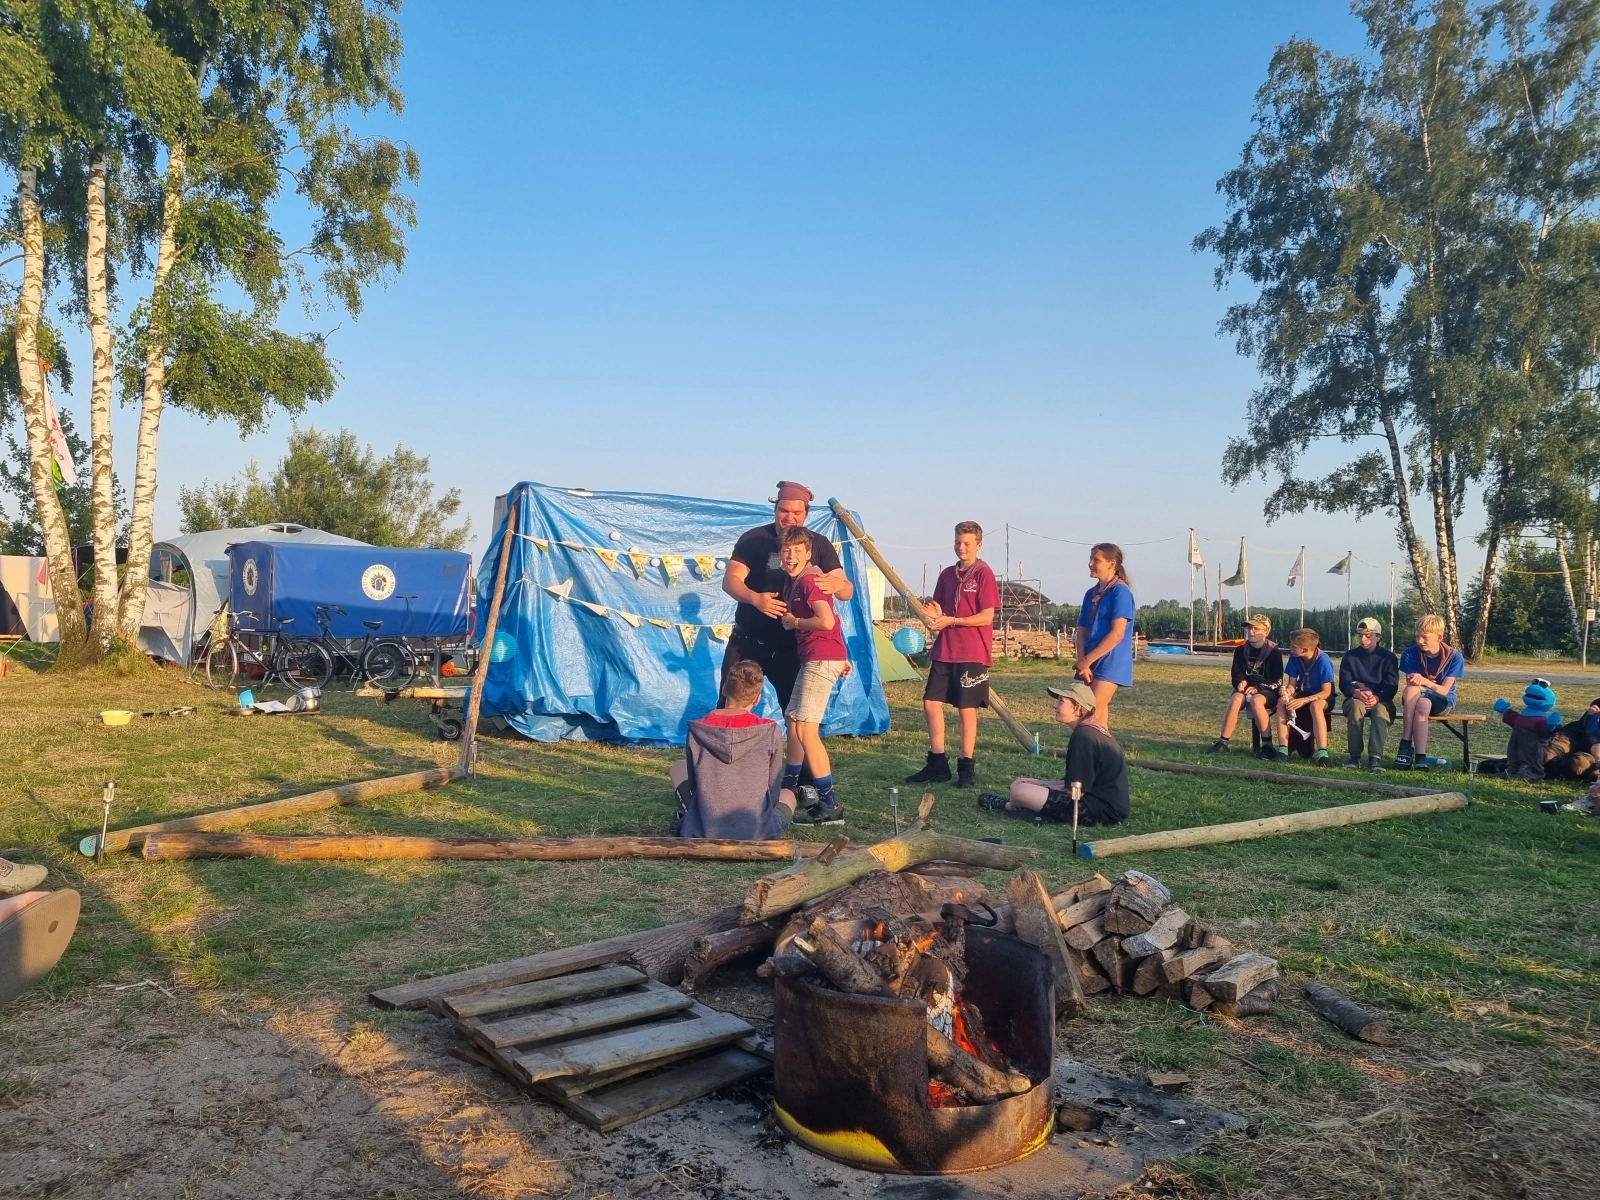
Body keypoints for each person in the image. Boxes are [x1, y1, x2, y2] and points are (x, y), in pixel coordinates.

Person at [720, 479, 854, 734]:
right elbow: (730, 580)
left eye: (796, 512)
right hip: (747, 639)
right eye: (784, 511)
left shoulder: (819, 544)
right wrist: (755, 598)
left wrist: (836, 585)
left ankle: (801, 774)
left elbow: (847, 590)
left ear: (806, 514)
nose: (789, 517)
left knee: (797, 717)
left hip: (792, 645)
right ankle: (720, 766)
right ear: (775, 509)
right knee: (730, 705)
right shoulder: (754, 539)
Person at [906, 521, 1000, 789]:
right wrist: (934, 613)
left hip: (972, 650)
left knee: (966, 709)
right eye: (958, 542)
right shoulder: (947, 574)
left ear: (979, 545)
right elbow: (939, 609)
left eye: (967, 543)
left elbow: (986, 616)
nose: (961, 547)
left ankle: (966, 767)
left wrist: (952, 620)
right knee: (931, 702)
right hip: (945, 648)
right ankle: (937, 762)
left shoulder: (984, 574)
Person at [671, 660, 797, 839]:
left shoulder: (698, 728)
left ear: (724, 689)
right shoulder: (770, 730)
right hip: (757, 828)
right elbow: (773, 789)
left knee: (678, 767)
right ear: (757, 698)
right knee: (788, 795)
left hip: (705, 827)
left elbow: (694, 784)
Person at [776, 525, 850, 825]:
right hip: (817, 658)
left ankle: (831, 805)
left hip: (821, 659)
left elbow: (826, 620)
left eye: (797, 550)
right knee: (793, 720)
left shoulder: (810, 582)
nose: (790, 555)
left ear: (808, 553)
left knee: (806, 729)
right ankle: (789, 786)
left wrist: (795, 622)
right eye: (786, 550)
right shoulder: (795, 581)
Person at [976, 681, 1128, 826]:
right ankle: (1021, 802)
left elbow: (1076, 792)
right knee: (1024, 785)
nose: (1054, 705)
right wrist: (1036, 783)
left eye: (1061, 701)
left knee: (1020, 792)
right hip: (1106, 804)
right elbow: (1073, 781)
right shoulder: (1089, 731)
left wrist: (1034, 790)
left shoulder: (1084, 737)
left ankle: (1009, 806)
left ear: (1077, 708)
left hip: (1101, 810)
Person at [1073, 543, 1136, 729]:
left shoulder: (1120, 593)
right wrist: (1082, 662)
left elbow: (1117, 634)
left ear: (1112, 563)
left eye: (1096, 560)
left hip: (1111, 660)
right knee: (1098, 720)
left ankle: (1085, 756)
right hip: (1090, 661)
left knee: (1087, 714)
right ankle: (1103, 756)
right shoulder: (1090, 594)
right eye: (1090, 559)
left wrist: (1087, 660)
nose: (1090, 563)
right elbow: (1082, 631)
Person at [1395, 614, 1464, 770]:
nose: (1420, 641)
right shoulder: (1410, 653)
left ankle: (1405, 745)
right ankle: (1420, 756)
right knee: (1422, 702)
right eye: (1417, 636)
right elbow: (1411, 684)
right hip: (1416, 698)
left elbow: (1445, 690)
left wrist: (1424, 681)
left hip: (1444, 701)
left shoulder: (1454, 656)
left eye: (1425, 637)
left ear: (1439, 637)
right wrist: (1427, 684)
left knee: (1418, 693)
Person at [1209, 613, 1282, 755]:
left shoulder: (1274, 652)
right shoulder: (1241, 650)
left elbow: (1276, 679)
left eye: (1255, 629)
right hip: (1246, 688)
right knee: (1236, 698)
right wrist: (1240, 682)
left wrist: (1257, 688)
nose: (1251, 632)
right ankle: (1223, 742)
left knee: (1256, 700)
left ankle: (1267, 745)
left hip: (1267, 689)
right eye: (1249, 628)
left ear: (1266, 632)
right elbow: (1236, 673)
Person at [1339, 617, 1400, 771]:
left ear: (1378, 637)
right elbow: (1344, 683)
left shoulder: (1389, 657)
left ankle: (1375, 758)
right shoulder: (1350, 656)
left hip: (1382, 700)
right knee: (1355, 705)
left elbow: (1392, 686)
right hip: (1355, 699)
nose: (1363, 639)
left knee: (1380, 710)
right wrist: (1355, 692)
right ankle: (1354, 757)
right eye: (1360, 635)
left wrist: (1377, 697)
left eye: (1368, 635)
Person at [1275, 628, 1335, 764]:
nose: (1290, 648)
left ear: (1305, 650)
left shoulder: (1323, 660)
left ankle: (1322, 753)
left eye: (1293, 646)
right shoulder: (1295, 657)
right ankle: (1283, 749)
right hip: (1303, 693)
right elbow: (1292, 684)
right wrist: (1287, 692)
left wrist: (1304, 700)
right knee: (1281, 702)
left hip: (1322, 697)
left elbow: (1326, 692)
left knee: (1315, 706)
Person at [1492, 679, 1562, 781]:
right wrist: (1505, 710)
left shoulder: (1541, 718)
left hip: (1532, 745)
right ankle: (1512, 769)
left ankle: (1528, 772)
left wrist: (1549, 725)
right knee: (1513, 755)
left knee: (1529, 757)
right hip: (1516, 742)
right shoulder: (1525, 714)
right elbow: (1515, 719)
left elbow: (1544, 730)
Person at [1544, 699, 1600, 782]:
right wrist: (1589, 714)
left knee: (1577, 764)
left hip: (1591, 755)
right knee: (1547, 757)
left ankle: (1549, 770)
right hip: (1571, 736)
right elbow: (1585, 729)